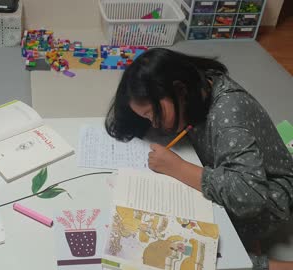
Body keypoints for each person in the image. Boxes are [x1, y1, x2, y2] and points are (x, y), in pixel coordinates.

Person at [105, 48, 293, 270]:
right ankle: (250, 241)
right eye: (147, 117)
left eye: (154, 114)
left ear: (180, 90)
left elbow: (250, 197)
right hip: (232, 171)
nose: (154, 123)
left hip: (268, 198)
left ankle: (277, 265)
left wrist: (177, 167)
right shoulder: (199, 87)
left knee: (193, 254)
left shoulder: (228, 114)